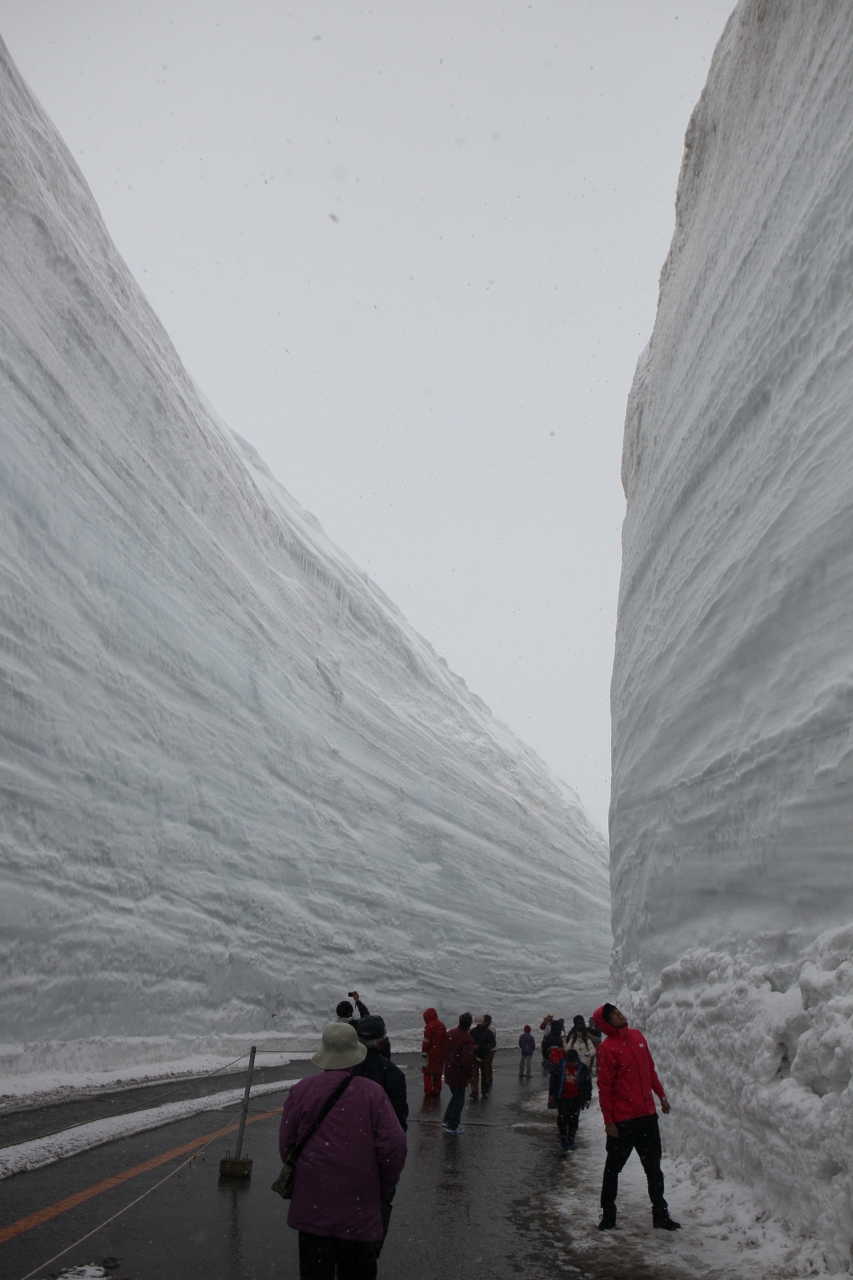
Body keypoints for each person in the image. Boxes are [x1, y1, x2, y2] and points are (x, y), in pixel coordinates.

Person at [279, 1022, 407, 1278]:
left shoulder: (301, 1090)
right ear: (354, 1053)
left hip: (312, 1205)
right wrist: (383, 1186)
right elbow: (394, 1146)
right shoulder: (374, 1093)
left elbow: (287, 1145)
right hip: (358, 1209)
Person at [593, 1003, 680, 1232]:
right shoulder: (607, 1049)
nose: (620, 1014)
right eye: (613, 1014)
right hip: (622, 1122)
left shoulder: (637, 1036)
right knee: (613, 1169)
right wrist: (609, 1121)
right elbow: (605, 1087)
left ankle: (660, 1214)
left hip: (647, 1117)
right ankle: (608, 1214)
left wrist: (661, 1095)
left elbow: (649, 1070)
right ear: (607, 1023)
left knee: (654, 1169)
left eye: (618, 1011)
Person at [351, 1015, 407, 1256]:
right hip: (374, 1164)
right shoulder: (392, 1074)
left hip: (340, 1158)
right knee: (368, 1239)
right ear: (383, 1042)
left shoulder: (344, 1069)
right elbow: (398, 1130)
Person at [548, 1046, 592, 1150]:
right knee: (562, 1119)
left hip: (576, 1098)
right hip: (563, 1098)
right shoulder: (561, 1067)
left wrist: (587, 1099)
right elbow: (554, 1081)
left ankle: (571, 1139)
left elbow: (587, 1085)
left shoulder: (583, 1069)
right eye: (570, 1062)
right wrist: (552, 1094)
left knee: (573, 1120)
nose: (572, 1065)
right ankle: (563, 1138)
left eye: (573, 1062)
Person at [442, 1012, 474, 1133]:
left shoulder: (451, 1033)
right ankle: (452, 1125)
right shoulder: (467, 1038)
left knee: (455, 1097)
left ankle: (447, 1120)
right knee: (459, 1100)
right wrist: (470, 1074)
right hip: (459, 1074)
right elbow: (467, 1061)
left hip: (449, 1070)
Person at [420, 1007, 447, 1097]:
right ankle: (437, 1090)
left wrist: (424, 1050)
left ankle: (428, 1091)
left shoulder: (429, 1026)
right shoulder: (442, 1025)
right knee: (437, 1073)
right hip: (440, 1054)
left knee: (427, 1073)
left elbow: (426, 1042)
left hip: (430, 1055)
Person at [469, 1014, 497, 1099]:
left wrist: (476, 1047)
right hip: (483, 1056)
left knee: (477, 1074)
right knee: (483, 1075)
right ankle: (481, 1092)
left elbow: (492, 1043)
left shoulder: (473, 1032)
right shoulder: (487, 1032)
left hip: (479, 1055)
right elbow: (493, 1043)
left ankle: (477, 1091)